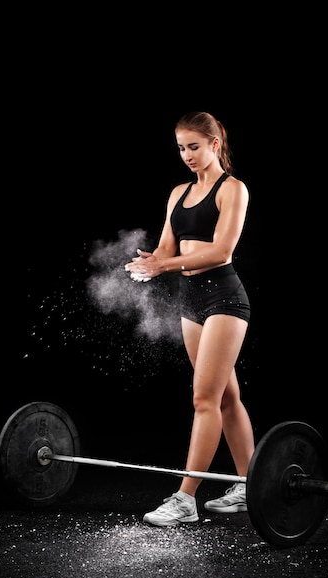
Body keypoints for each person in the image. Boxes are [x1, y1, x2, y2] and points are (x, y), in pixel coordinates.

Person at [125, 111, 255, 527]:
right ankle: (248, 486)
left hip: (224, 298)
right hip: (191, 301)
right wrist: (152, 261)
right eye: (181, 148)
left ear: (215, 144)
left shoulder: (232, 189)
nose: (187, 155)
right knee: (227, 397)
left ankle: (185, 498)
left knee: (204, 399)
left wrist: (167, 266)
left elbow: (221, 252)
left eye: (194, 147)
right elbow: (167, 246)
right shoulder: (178, 192)